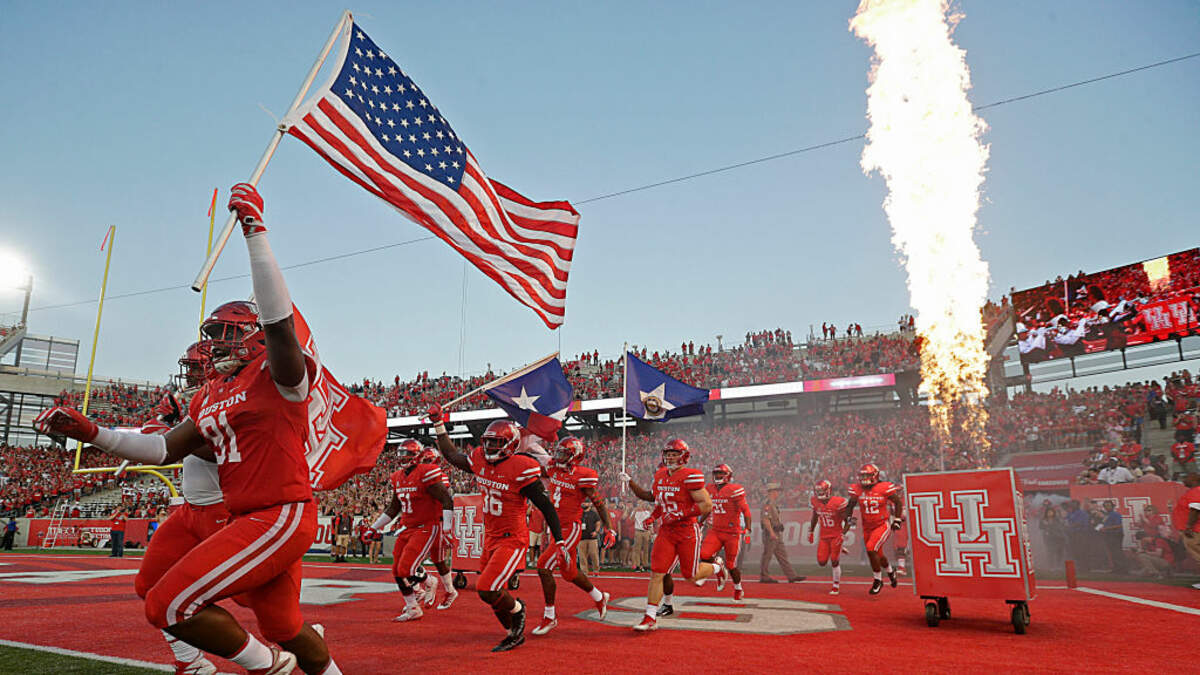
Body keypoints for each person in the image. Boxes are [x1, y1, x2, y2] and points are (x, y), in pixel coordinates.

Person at [33, 183, 339, 674]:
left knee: (175, 606)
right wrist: (93, 434)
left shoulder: (278, 376)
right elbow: (163, 449)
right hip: (241, 515)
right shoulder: (210, 393)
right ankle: (282, 663)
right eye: (211, 335)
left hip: (277, 512)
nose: (215, 345)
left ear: (257, 337)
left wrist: (255, 232)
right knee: (277, 623)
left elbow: (280, 323)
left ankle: (268, 666)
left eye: (226, 334)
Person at [427, 406, 566, 652]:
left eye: (496, 442)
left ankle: (518, 611)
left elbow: (545, 506)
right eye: (488, 442)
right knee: (491, 593)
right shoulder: (480, 459)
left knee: (486, 588)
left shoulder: (521, 467)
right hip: (490, 537)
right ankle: (512, 631)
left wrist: (560, 540)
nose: (490, 447)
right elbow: (452, 454)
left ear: (511, 445)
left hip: (512, 538)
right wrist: (438, 423)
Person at [130, 360, 228, 675]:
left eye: (197, 366)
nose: (190, 374)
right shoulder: (201, 399)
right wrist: (169, 426)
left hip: (223, 510)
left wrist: (169, 436)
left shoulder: (237, 395)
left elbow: (223, 449)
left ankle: (289, 643)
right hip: (190, 510)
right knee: (149, 584)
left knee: (262, 606)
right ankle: (190, 660)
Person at [620, 438, 723, 632]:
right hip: (666, 531)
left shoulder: (690, 476)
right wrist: (653, 517)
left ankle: (717, 566)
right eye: (667, 454)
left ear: (684, 456)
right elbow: (660, 502)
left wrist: (680, 513)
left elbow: (707, 505)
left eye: (674, 454)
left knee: (690, 576)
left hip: (686, 530)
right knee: (657, 573)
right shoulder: (660, 475)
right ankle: (650, 616)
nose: (670, 457)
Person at [366, 439, 456, 622]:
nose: (403, 457)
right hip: (408, 527)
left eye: (407, 454)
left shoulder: (427, 472)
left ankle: (430, 582)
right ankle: (413, 607)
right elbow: (393, 508)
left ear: (417, 456)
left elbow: (447, 500)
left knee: (406, 568)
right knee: (396, 570)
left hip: (426, 527)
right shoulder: (397, 476)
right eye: (400, 454)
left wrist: (447, 529)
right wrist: (373, 527)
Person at [530, 437, 612, 636]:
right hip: (555, 528)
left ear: (575, 456)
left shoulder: (582, 476)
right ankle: (599, 596)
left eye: (564, 453)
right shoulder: (553, 468)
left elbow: (599, 503)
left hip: (570, 528)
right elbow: (537, 470)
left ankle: (550, 616)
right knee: (569, 573)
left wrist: (609, 528)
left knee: (543, 566)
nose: (559, 456)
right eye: (558, 452)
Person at [843, 463, 905, 594]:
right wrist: (848, 518)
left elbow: (897, 502)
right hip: (867, 527)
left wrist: (897, 519)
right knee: (879, 555)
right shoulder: (857, 489)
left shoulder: (884, 487)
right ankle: (890, 571)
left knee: (871, 548)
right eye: (862, 476)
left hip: (881, 524)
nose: (864, 479)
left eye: (867, 475)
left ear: (875, 475)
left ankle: (878, 580)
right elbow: (850, 505)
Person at [699, 463, 752, 600]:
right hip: (715, 530)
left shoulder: (735, 489)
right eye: (716, 473)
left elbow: (746, 510)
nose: (718, 476)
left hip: (732, 533)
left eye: (721, 474)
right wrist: (700, 522)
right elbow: (708, 508)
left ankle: (738, 588)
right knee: (704, 555)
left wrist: (748, 528)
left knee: (731, 565)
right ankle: (718, 566)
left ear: (728, 475)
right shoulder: (709, 489)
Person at [808, 480, 849, 595]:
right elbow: (814, 517)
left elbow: (851, 520)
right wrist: (811, 531)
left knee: (834, 560)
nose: (819, 493)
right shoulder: (815, 502)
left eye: (821, 491)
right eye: (818, 491)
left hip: (836, 535)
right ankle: (838, 548)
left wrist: (843, 534)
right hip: (824, 536)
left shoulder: (838, 503)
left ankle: (836, 586)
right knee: (821, 562)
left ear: (828, 490)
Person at [759, 483, 803, 584]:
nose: (778, 493)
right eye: (776, 491)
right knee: (767, 555)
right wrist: (771, 532)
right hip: (770, 533)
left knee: (782, 555)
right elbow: (765, 520)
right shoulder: (767, 503)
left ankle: (791, 575)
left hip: (776, 532)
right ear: (772, 492)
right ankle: (764, 576)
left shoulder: (772, 503)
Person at [1172, 473, 1200, 589]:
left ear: (1194, 479)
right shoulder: (1194, 491)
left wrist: (1188, 526)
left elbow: (1195, 510)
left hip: (1195, 530)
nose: (1184, 479)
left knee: (1198, 554)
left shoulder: (1196, 491)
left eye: (1186, 477)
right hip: (1194, 529)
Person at [1099, 500, 1127, 574]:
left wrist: (1106, 528)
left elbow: (1119, 525)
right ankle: (1116, 568)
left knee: (1117, 551)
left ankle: (1123, 568)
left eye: (1108, 505)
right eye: (1105, 506)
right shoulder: (1106, 515)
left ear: (1112, 506)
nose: (1107, 507)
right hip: (1109, 535)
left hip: (1116, 534)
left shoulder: (1116, 514)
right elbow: (1103, 524)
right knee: (1112, 552)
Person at [579, 501, 602, 576]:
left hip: (592, 537)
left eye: (586, 502)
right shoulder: (579, 513)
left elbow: (598, 523)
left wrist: (596, 532)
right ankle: (584, 571)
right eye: (583, 502)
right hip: (581, 537)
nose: (583, 503)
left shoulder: (594, 513)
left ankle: (596, 570)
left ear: (590, 504)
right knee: (582, 556)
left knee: (594, 554)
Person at [632, 502, 653, 572]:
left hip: (646, 531)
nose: (641, 506)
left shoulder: (647, 512)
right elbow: (631, 519)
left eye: (643, 504)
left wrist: (651, 532)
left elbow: (650, 522)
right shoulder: (636, 511)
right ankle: (637, 566)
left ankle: (645, 565)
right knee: (637, 549)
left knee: (646, 549)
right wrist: (635, 511)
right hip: (638, 531)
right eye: (640, 504)